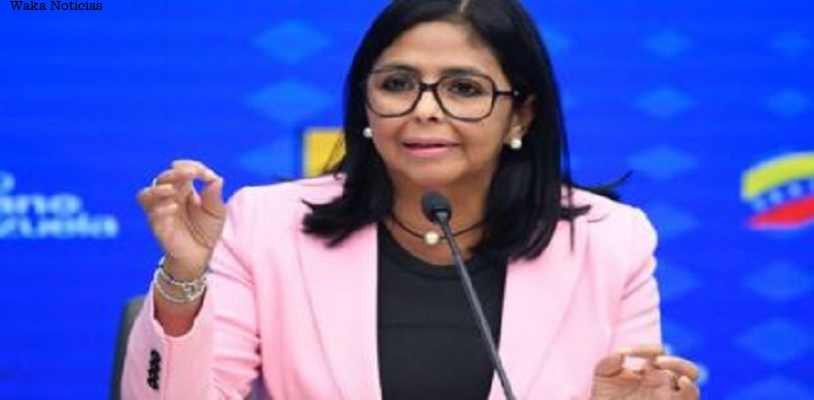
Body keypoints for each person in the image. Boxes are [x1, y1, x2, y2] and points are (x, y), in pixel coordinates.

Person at [123, 0, 701, 398]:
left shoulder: (607, 241)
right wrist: (183, 278)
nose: (424, 109)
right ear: (366, 103)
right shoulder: (267, 225)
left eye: (464, 88)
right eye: (397, 84)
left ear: (520, 115)